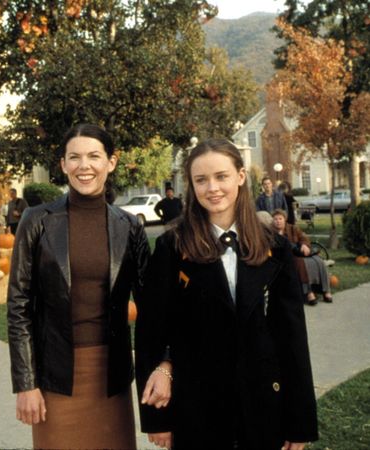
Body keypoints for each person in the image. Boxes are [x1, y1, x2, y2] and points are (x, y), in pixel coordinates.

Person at [135, 138, 318, 450]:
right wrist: (157, 418)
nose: (212, 188)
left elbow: (292, 337)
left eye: (221, 176)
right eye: (201, 180)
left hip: (261, 402)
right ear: (191, 186)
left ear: (241, 177)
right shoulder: (171, 247)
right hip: (197, 405)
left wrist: (299, 421)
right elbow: (152, 331)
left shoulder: (275, 248)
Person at [7, 123, 150, 450]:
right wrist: (26, 384)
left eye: (94, 156)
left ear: (111, 162)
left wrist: (163, 367)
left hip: (111, 377)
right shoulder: (36, 221)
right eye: (75, 157)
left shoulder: (129, 227)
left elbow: (152, 309)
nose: (84, 166)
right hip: (55, 376)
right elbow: (18, 307)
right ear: (63, 165)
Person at [272, 209, 333, 306]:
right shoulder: (271, 232)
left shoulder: (293, 228)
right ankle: (309, 293)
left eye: (280, 218)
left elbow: (304, 238)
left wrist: (304, 245)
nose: (278, 221)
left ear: (285, 220)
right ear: (272, 221)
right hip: (288, 257)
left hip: (301, 252)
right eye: (275, 219)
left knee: (319, 261)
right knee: (300, 263)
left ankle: (326, 290)